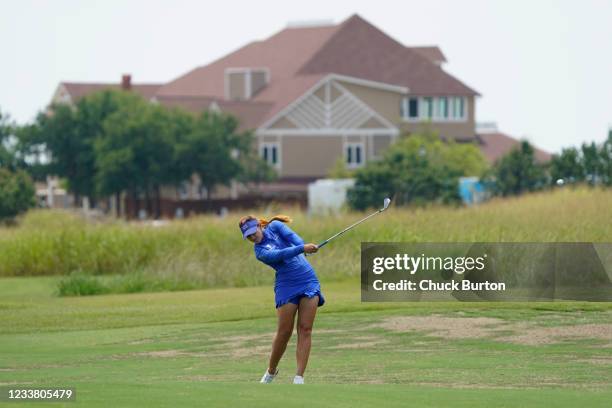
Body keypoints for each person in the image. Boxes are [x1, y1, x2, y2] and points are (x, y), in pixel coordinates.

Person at [239, 214, 325, 385]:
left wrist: (304, 246)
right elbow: (280, 254)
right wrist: (302, 249)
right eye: (247, 236)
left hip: (308, 280)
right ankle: (271, 371)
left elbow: (294, 238)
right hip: (286, 285)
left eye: (252, 232)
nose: (252, 237)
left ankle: (299, 377)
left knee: (305, 329)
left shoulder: (276, 226)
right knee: (284, 332)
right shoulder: (260, 252)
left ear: (259, 226)